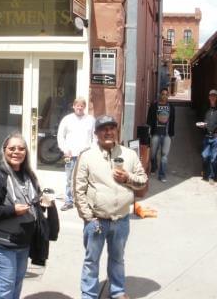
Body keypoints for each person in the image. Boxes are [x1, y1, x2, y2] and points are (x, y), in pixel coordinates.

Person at [73, 115, 148, 299]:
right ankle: (89, 294)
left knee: (117, 259)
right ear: (96, 133)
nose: (108, 132)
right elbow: (78, 189)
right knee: (91, 261)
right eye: (103, 129)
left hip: (121, 219)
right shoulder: (87, 156)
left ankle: (117, 291)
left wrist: (127, 178)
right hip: (97, 220)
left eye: (111, 128)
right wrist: (89, 218)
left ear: (116, 131)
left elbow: (143, 182)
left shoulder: (129, 154)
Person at [0, 132, 42, 299]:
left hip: (22, 242)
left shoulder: (28, 174)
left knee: (16, 284)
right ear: (4, 150)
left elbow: (33, 197)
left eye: (21, 148)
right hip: (1, 243)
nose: (16, 152)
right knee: (5, 289)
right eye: (12, 148)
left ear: (26, 152)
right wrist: (12, 211)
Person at [57, 97, 95, 211]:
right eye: (77, 105)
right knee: (69, 179)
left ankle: (85, 201)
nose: (79, 108)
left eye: (82, 106)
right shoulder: (67, 119)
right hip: (70, 155)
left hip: (85, 155)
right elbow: (60, 136)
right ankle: (69, 201)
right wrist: (65, 149)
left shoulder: (91, 119)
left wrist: (91, 151)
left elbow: (95, 137)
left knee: (86, 179)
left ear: (84, 107)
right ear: (73, 106)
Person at [196, 89, 217, 186]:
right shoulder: (205, 107)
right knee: (205, 156)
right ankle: (205, 173)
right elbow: (200, 118)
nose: (213, 97)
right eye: (211, 96)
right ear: (209, 97)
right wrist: (201, 125)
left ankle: (211, 177)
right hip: (206, 135)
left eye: (214, 96)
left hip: (215, 137)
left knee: (214, 158)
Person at [147, 87, 175, 182]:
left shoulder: (171, 107)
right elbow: (149, 120)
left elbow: (172, 122)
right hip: (155, 134)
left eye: (166, 94)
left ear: (168, 96)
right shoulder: (154, 106)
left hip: (167, 135)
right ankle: (154, 166)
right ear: (160, 95)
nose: (164, 96)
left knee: (164, 156)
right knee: (153, 154)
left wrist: (172, 135)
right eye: (163, 94)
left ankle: (162, 175)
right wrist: (149, 132)